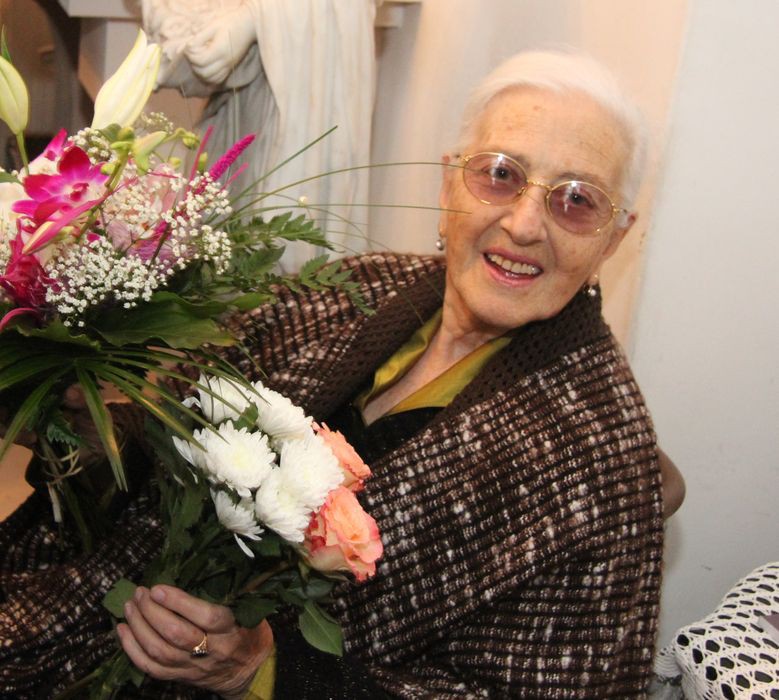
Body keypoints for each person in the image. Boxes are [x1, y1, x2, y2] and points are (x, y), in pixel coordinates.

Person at [0, 50, 684, 698]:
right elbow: (178, 437)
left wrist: (262, 671)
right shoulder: (352, 287)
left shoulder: (601, 465)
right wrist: (79, 421)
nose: (526, 224)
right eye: (500, 174)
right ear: (448, 181)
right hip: (93, 618)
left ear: (615, 237)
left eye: (576, 200)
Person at [141, 0, 380, 271]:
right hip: (244, 110)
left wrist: (254, 18)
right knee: (230, 250)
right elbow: (194, 62)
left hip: (310, 82)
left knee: (283, 245)